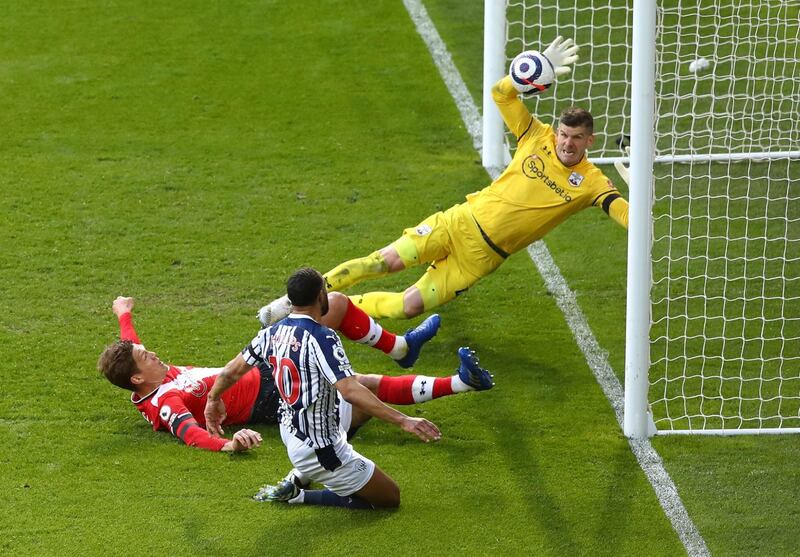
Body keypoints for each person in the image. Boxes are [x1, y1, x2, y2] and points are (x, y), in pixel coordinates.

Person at [258, 36, 629, 323]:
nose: (566, 142)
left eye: (576, 138)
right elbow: (501, 94)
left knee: (407, 307)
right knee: (381, 262)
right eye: (564, 134)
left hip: (480, 259)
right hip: (458, 222)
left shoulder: (592, 182)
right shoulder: (535, 136)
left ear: (589, 141)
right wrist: (531, 69)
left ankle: (331, 310)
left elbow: (626, 216)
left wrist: (642, 197)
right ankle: (290, 303)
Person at [98, 295, 493, 453]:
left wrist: (124, 313)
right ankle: (461, 382)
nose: (151, 351)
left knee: (331, 304)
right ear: (136, 378)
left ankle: (401, 349)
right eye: (143, 355)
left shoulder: (148, 376)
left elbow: (129, 344)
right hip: (273, 398)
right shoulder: (163, 402)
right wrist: (230, 445)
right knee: (360, 386)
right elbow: (192, 434)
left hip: (262, 368)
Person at [204, 268, 454, 509]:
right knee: (389, 497)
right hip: (320, 447)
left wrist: (213, 400)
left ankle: (302, 474)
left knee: (367, 393)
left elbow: (229, 372)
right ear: (320, 296)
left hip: (291, 428)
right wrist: (403, 420)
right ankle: (298, 495)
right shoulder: (321, 336)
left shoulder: (269, 333)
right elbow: (348, 390)